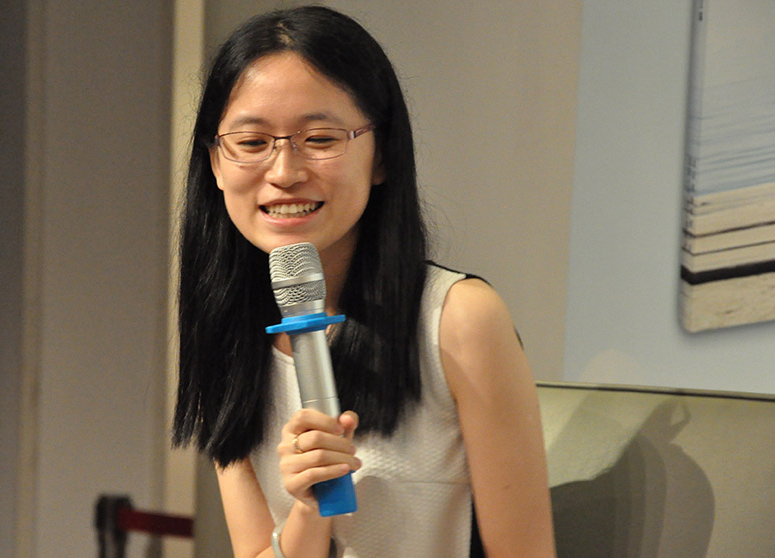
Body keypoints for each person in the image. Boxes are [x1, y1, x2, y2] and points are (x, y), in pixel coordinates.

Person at [172, 6, 555, 558]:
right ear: (214, 163)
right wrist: (308, 509)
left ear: (382, 155)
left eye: (320, 138)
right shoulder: (227, 333)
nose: (284, 172)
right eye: (252, 143)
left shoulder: (459, 320)